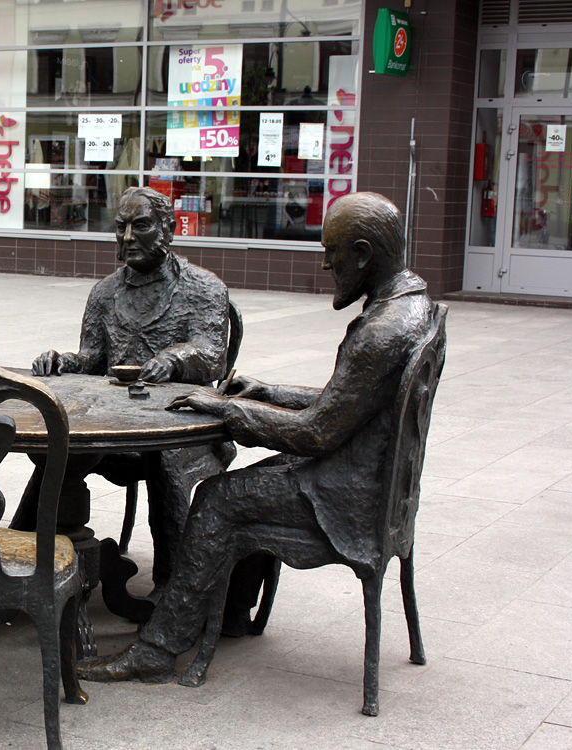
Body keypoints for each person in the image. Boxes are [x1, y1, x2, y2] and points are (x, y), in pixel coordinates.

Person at [76, 191, 435, 684]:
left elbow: (317, 431)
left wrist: (231, 409)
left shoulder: (381, 330)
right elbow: (346, 397)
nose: (326, 264)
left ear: (364, 254)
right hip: (368, 473)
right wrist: (269, 391)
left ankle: (158, 649)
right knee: (242, 488)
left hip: (348, 492)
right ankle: (230, 611)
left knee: (218, 499)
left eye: (332, 252)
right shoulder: (411, 307)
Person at [17, 185, 233, 585]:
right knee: (56, 444)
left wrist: (175, 357)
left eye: (141, 225)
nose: (129, 237)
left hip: (183, 427)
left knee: (162, 459)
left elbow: (210, 353)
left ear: (167, 228)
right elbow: (93, 358)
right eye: (121, 227)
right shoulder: (105, 292)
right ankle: (26, 552)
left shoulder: (204, 289)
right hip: (114, 423)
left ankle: (176, 586)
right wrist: (64, 361)